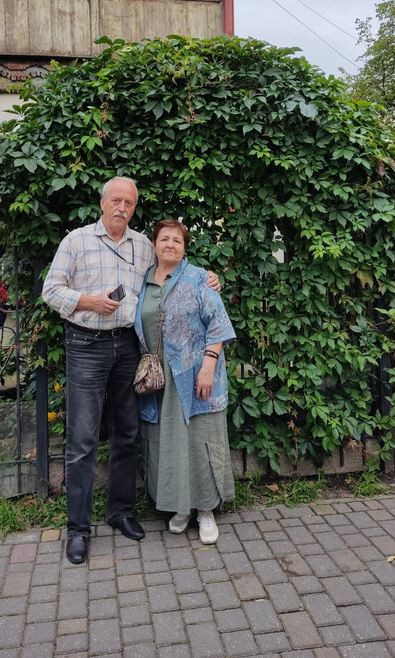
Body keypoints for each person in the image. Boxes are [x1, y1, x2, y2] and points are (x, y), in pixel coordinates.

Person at [42, 178, 219, 564]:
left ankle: (120, 512)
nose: (122, 207)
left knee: (127, 434)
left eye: (129, 202)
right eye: (116, 200)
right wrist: (88, 301)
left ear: (134, 208)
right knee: (83, 440)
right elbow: (51, 290)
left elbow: (172, 271)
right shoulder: (76, 241)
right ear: (102, 203)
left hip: (128, 347)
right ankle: (78, 529)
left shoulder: (142, 245)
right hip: (86, 345)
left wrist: (207, 277)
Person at [135, 219, 236, 545]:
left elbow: (218, 323)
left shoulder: (198, 278)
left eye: (177, 240)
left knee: (199, 440)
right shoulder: (143, 282)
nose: (170, 245)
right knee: (169, 442)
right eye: (164, 239)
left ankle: (205, 510)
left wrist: (208, 366)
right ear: (154, 245)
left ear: (184, 247)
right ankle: (181, 507)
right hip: (159, 379)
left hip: (196, 376)